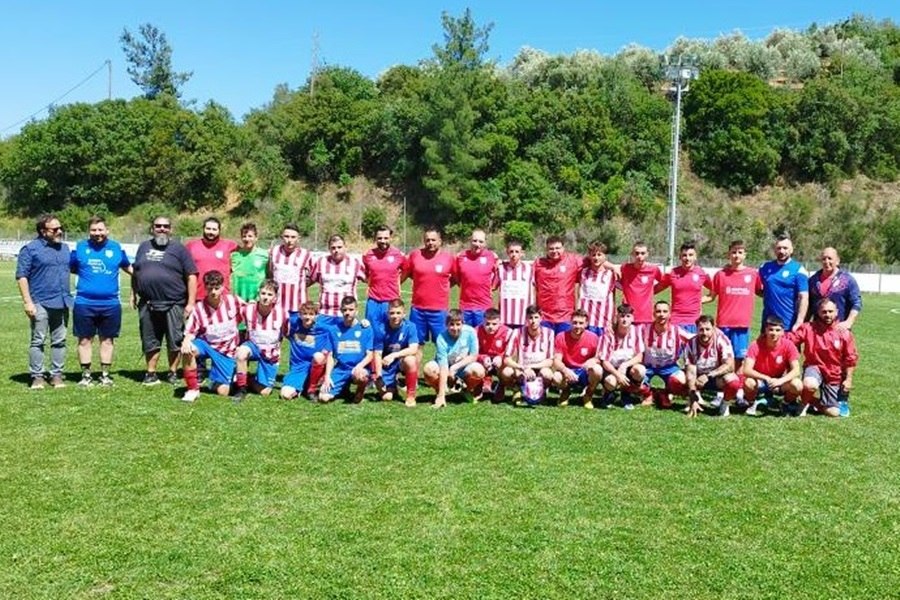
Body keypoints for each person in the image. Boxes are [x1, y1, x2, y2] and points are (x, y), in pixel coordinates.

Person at [131, 216, 198, 386]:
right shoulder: (143, 247)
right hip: (148, 303)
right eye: (158, 226)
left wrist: (190, 303)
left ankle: (172, 372)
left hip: (174, 303)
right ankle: (151, 373)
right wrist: (133, 293)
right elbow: (136, 271)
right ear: (152, 228)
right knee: (149, 339)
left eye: (165, 226)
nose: (162, 229)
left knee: (175, 339)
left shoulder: (180, 249)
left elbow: (191, 276)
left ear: (171, 229)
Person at [69, 215, 132, 386]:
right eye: (93, 230)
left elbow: (130, 269)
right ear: (89, 231)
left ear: (107, 230)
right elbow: (71, 268)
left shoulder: (116, 248)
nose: (97, 233)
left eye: (100, 229)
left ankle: (105, 375)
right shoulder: (79, 248)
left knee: (107, 340)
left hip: (111, 304)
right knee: (84, 340)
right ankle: (86, 376)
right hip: (84, 303)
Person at [16, 213, 73, 389]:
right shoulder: (30, 249)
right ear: (43, 231)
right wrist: (27, 302)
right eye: (55, 229)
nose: (60, 231)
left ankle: (57, 375)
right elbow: (21, 276)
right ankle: (37, 376)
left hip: (62, 301)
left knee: (60, 341)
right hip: (40, 301)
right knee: (38, 341)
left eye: (60, 228)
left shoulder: (65, 248)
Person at [180, 270, 244, 402]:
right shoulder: (199, 308)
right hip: (207, 345)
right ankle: (192, 389)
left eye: (217, 288)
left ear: (223, 287)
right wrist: (186, 341)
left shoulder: (233, 301)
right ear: (205, 288)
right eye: (210, 288)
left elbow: (250, 313)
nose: (213, 292)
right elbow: (190, 331)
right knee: (188, 350)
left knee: (223, 391)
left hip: (227, 351)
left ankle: (215, 379)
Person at [789, 299, 858, 418]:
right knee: (810, 384)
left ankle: (812, 401)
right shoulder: (808, 328)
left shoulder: (844, 332)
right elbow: (790, 340)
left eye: (830, 311)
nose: (827, 315)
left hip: (834, 374)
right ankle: (803, 404)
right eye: (824, 312)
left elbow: (851, 358)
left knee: (833, 412)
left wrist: (848, 379)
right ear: (818, 312)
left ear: (836, 312)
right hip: (814, 367)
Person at [705, 240, 762, 368]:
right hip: (723, 323)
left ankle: (736, 380)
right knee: (722, 356)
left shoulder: (753, 274)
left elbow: (760, 292)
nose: (737, 255)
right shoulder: (720, 275)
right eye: (734, 252)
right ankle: (721, 379)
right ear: (728, 255)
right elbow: (711, 296)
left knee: (739, 359)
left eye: (740, 252)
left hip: (742, 324)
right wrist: (693, 301)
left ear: (745, 255)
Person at [402, 228, 456, 357]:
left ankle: (443, 370)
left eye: (433, 240)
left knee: (443, 345)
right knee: (415, 346)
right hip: (418, 310)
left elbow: (456, 278)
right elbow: (405, 274)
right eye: (427, 240)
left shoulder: (449, 258)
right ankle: (414, 371)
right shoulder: (415, 255)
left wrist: (442, 287)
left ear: (440, 241)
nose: (430, 243)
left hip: (439, 311)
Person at [232, 280, 288, 401]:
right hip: (253, 346)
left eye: (270, 294)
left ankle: (247, 378)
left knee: (264, 391)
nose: (265, 297)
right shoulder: (247, 310)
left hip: (270, 352)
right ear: (258, 293)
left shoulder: (282, 313)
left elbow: (286, 333)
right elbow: (233, 322)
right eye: (263, 293)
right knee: (241, 353)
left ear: (275, 297)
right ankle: (241, 388)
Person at [741, 315, 803, 416]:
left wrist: (780, 381)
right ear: (765, 330)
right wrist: (766, 378)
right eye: (771, 330)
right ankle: (751, 403)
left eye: (778, 330)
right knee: (749, 382)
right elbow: (746, 370)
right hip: (760, 381)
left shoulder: (789, 345)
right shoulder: (755, 345)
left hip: (778, 381)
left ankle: (784, 404)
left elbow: (796, 370)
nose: (774, 333)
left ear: (783, 332)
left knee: (797, 384)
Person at [423, 310, 484, 409]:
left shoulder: (470, 332)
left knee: (479, 370)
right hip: (445, 368)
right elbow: (443, 367)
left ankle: (465, 390)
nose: (455, 328)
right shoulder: (441, 338)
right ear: (446, 325)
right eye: (451, 324)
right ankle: (440, 393)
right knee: (428, 369)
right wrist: (441, 395)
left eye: (458, 324)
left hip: (462, 368)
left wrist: (454, 368)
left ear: (463, 323)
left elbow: (473, 356)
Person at [637, 300, 692, 409]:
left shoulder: (677, 331)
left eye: (665, 311)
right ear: (653, 314)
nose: (661, 314)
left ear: (670, 314)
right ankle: (649, 393)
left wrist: (713, 333)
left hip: (669, 367)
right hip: (648, 367)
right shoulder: (644, 329)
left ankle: (664, 393)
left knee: (680, 382)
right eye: (658, 311)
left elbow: (694, 339)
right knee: (633, 378)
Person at [318, 297, 374, 403]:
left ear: (357, 310)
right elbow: (330, 356)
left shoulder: (365, 328)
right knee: (323, 397)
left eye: (351, 309)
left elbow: (370, 354)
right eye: (345, 310)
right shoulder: (333, 330)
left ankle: (360, 390)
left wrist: (359, 366)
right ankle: (343, 387)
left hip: (359, 368)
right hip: (341, 369)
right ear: (341, 311)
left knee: (361, 376)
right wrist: (327, 376)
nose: (347, 313)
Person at [683, 315, 741, 418]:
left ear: (714, 328)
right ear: (696, 330)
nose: (704, 333)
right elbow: (691, 373)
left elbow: (730, 366)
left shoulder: (722, 340)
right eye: (701, 330)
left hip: (716, 378)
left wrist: (709, 375)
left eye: (707, 329)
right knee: (677, 380)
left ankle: (725, 404)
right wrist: (693, 397)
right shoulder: (691, 344)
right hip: (698, 379)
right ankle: (693, 400)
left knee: (733, 381)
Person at [362, 225, 406, 351]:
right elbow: (366, 274)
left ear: (390, 238)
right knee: (371, 332)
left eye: (386, 238)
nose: (383, 241)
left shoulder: (398, 255)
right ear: (375, 238)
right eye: (379, 238)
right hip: (373, 301)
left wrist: (396, 284)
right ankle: (372, 360)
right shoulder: (368, 255)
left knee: (392, 334)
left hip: (391, 301)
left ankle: (391, 360)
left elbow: (406, 271)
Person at [501, 304, 555, 406]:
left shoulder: (549, 333)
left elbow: (550, 361)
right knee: (506, 372)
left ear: (541, 318)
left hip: (540, 368)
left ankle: (542, 392)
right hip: (522, 369)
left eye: (536, 317)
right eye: (530, 318)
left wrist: (531, 367)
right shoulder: (517, 332)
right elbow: (506, 359)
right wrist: (522, 367)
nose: (533, 321)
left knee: (548, 374)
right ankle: (516, 389)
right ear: (526, 319)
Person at [309, 234, 366, 329]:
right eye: (333, 248)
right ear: (329, 249)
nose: (336, 250)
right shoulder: (321, 262)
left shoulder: (355, 263)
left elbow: (369, 280)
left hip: (346, 314)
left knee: (346, 339)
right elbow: (310, 280)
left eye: (339, 247)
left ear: (345, 247)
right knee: (322, 338)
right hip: (325, 313)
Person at [596, 304, 646, 409]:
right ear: (617, 317)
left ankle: (626, 395)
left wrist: (624, 365)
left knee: (640, 370)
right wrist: (617, 374)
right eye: (622, 316)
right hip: (611, 370)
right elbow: (604, 361)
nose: (624, 320)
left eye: (628, 316)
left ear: (632, 318)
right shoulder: (609, 333)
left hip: (627, 368)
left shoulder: (636, 331)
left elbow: (639, 357)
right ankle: (608, 394)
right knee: (611, 382)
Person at [280, 302, 332, 400]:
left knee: (318, 356)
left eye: (311, 314)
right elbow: (281, 322)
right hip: (298, 367)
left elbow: (340, 331)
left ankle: (312, 388)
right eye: (304, 314)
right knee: (285, 395)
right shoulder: (294, 324)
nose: (307, 317)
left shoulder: (324, 328)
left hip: (315, 366)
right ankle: (302, 386)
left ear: (316, 316)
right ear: (299, 315)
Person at [655, 241, 711, 333]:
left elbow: (714, 292)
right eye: (684, 255)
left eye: (690, 255)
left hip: (694, 322)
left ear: (695, 256)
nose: (687, 258)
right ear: (680, 257)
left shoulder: (702, 273)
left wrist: (700, 300)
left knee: (693, 343)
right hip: (675, 321)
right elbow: (654, 290)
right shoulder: (672, 273)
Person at [373, 299, 420, 407]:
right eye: (392, 313)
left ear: (404, 314)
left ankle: (410, 395)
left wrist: (394, 355)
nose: (395, 316)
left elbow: (414, 349)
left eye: (398, 313)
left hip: (400, 361)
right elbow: (377, 353)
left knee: (411, 360)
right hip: (386, 365)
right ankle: (392, 385)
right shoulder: (380, 329)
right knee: (387, 397)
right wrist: (379, 375)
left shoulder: (410, 326)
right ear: (387, 314)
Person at [551, 309, 601, 408]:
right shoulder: (561, 336)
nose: (577, 326)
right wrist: (565, 370)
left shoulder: (593, 337)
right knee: (556, 377)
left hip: (584, 371)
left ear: (586, 324)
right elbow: (556, 361)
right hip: (568, 371)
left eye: (581, 323)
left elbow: (599, 358)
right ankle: (565, 392)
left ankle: (588, 395)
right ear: (570, 322)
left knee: (598, 370)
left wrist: (593, 360)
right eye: (575, 323)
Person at [759, 235, 808, 332]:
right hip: (768, 322)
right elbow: (757, 288)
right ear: (775, 250)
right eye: (779, 248)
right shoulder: (765, 267)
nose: (781, 251)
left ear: (791, 250)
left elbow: (804, 297)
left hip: (788, 323)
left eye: (785, 248)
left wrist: (799, 321)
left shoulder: (798, 270)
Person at [533, 236, 582, 333]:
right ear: (546, 250)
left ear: (563, 248)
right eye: (551, 249)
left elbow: (595, 261)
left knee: (563, 342)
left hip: (566, 316)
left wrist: (611, 266)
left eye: (557, 248)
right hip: (544, 317)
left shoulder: (573, 260)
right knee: (545, 342)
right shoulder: (538, 264)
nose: (554, 251)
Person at [807, 247, 861, 329]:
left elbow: (856, 303)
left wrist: (849, 322)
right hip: (817, 331)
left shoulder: (847, 280)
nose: (826, 262)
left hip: (839, 329)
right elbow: (808, 305)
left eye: (830, 258)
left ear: (837, 261)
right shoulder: (813, 280)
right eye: (824, 259)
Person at [186, 217, 238, 300]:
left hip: (221, 297)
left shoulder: (230, 245)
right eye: (208, 228)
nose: (211, 232)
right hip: (198, 297)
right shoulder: (191, 246)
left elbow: (246, 252)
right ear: (203, 229)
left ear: (219, 231)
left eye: (214, 229)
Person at [456, 228, 498, 327]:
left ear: (485, 243)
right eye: (475, 241)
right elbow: (457, 277)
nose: (477, 244)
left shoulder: (492, 257)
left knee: (483, 335)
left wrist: (492, 287)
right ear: (470, 241)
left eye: (481, 241)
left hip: (484, 307)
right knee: (465, 335)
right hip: (465, 307)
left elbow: (498, 275)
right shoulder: (461, 257)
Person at [267, 223, 311, 315]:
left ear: (298, 238)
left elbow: (314, 276)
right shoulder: (274, 251)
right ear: (282, 237)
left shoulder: (306, 254)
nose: (289, 240)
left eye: (293, 237)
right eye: (286, 236)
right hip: (276, 305)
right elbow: (270, 273)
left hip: (297, 307)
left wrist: (303, 286)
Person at [618, 241, 663, 329]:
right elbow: (617, 281)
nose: (639, 256)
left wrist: (652, 291)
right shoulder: (625, 268)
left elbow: (664, 282)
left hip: (646, 317)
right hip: (627, 315)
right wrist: (625, 290)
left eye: (643, 253)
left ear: (647, 254)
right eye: (637, 253)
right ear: (632, 254)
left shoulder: (653, 269)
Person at [577, 240, 616, 336]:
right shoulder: (583, 272)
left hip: (604, 322)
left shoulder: (611, 274)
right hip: (585, 322)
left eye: (599, 255)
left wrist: (613, 319)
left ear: (604, 257)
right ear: (589, 256)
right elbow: (578, 294)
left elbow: (614, 297)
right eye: (593, 255)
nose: (596, 258)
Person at [475, 308, 514, 401]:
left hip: (500, 361)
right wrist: (482, 358)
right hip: (484, 360)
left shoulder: (508, 332)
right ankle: (482, 383)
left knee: (507, 370)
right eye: (487, 324)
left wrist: (501, 357)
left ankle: (501, 384)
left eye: (494, 324)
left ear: (500, 322)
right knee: (474, 366)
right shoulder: (476, 331)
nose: (490, 327)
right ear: (483, 322)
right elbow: (473, 352)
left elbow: (513, 351)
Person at [496, 238, 533, 329]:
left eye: (517, 251)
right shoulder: (501, 269)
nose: (514, 254)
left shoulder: (530, 269)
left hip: (524, 317)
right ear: (507, 252)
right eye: (511, 251)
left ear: (522, 253)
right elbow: (492, 287)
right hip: (505, 317)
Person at [230, 222, 269, 303]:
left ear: (256, 238)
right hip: (239, 299)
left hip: (257, 299)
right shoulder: (234, 255)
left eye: (250, 236)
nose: (247, 239)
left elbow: (270, 274)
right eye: (244, 236)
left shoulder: (264, 255)